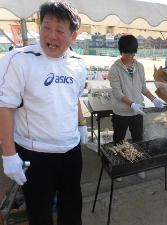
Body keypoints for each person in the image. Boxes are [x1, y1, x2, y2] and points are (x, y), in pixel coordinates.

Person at [0, 2, 87, 225]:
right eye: (46, 28)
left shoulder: (78, 64)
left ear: (73, 36)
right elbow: (5, 107)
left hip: (71, 151)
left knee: (72, 207)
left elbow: (73, 98)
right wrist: (9, 155)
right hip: (35, 153)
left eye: (59, 31)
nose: (51, 36)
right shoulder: (18, 59)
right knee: (40, 213)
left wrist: (81, 125)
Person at [108, 34, 164, 179]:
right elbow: (117, 92)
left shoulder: (139, 66)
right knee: (119, 140)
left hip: (137, 112)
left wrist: (155, 99)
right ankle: (119, 167)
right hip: (121, 112)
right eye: (127, 53)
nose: (130, 56)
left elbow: (143, 88)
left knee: (138, 138)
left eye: (133, 53)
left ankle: (138, 165)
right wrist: (131, 104)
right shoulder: (115, 68)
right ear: (121, 51)